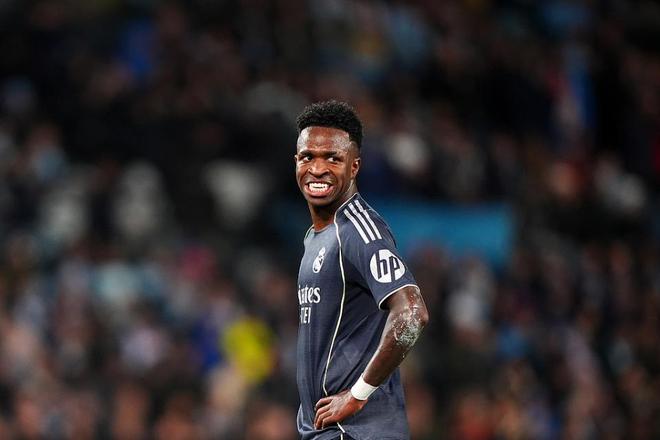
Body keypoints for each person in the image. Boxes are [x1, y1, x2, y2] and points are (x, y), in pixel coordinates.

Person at [294, 100, 429, 440]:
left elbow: (412, 313)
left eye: (332, 158)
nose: (317, 168)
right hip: (328, 431)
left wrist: (357, 395)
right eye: (308, 157)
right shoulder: (316, 237)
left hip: (356, 431)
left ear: (354, 167)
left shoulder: (359, 230)